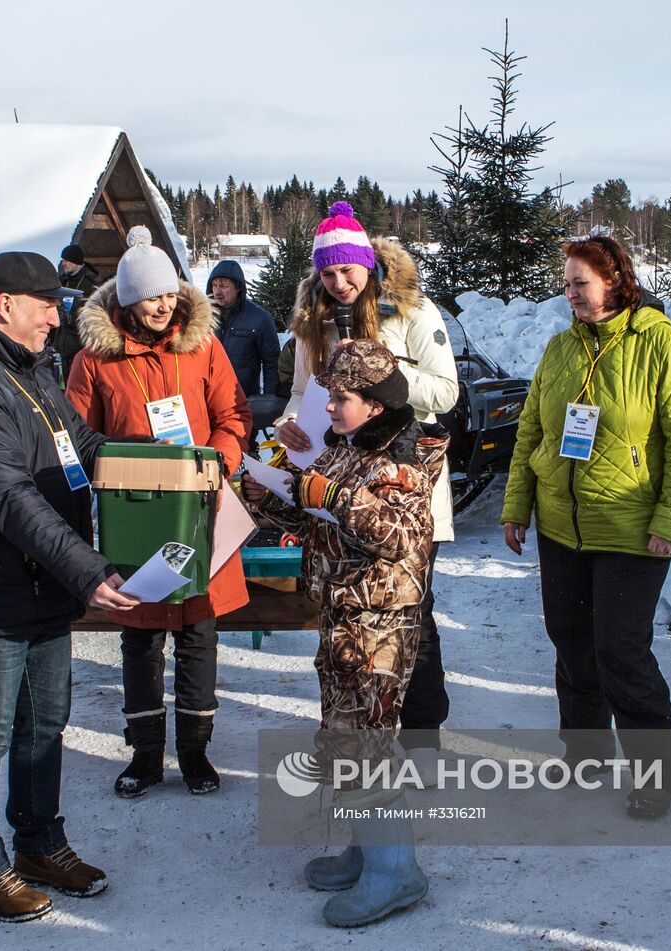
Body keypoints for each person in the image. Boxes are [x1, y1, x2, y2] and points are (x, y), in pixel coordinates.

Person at [0, 250, 137, 922]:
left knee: (45, 723)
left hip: (43, 586)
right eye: (45, 302)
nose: (57, 314)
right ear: (1, 303)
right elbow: (10, 499)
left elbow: (83, 446)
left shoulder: (32, 368)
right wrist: (90, 570)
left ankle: (40, 842)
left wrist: (169, 465)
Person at [500, 235, 671, 819]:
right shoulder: (561, 349)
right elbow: (530, 435)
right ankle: (585, 750)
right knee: (571, 640)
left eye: (580, 283)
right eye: (566, 283)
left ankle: (659, 771)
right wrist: (518, 506)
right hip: (562, 526)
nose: (570, 294)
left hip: (632, 525)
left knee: (620, 649)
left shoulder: (662, 347)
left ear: (615, 281)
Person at [242, 339, 445, 927]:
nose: (328, 408)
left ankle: (396, 871)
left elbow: (398, 536)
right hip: (342, 616)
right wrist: (269, 498)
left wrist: (323, 491)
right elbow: (318, 520)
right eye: (329, 396)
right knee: (347, 741)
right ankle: (368, 849)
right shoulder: (345, 448)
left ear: (376, 405)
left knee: (366, 745)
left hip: (380, 625)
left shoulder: (405, 459)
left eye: (342, 398)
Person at [67, 225, 251, 797]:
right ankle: (145, 755)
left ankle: (195, 754)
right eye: (151, 297)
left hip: (201, 508)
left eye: (169, 293)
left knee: (199, 631)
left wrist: (216, 462)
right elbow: (73, 434)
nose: (163, 305)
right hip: (135, 514)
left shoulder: (201, 346)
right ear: (125, 300)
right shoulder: (95, 360)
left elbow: (233, 415)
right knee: (141, 639)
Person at [275, 202, 458, 740]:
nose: (338, 283)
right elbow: (300, 394)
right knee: (350, 619)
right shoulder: (315, 318)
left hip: (405, 483)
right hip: (340, 486)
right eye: (327, 273)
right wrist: (290, 423)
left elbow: (445, 393)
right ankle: (358, 731)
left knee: (411, 616)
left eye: (347, 271)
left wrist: (390, 381)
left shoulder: (413, 311)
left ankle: (423, 733)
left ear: (368, 265)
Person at [207, 260, 281, 400]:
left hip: (243, 398)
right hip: (209, 397)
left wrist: (268, 399)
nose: (217, 291)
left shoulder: (260, 318)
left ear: (238, 288)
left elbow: (272, 362)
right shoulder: (202, 316)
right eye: (214, 285)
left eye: (223, 286)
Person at [52, 243, 99, 380]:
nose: (64, 264)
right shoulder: (61, 281)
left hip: (81, 344)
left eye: (67, 260)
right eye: (62, 260)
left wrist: (73, 316)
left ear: (77, 261)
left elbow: (96, 313)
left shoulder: (92, 283)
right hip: (61, 344)